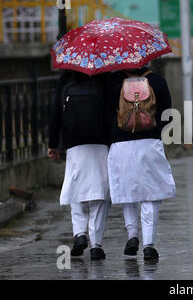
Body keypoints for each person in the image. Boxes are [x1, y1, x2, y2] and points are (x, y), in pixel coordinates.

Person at [106, 66, 175, 261]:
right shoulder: (158, 81)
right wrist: (155, 132)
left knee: (128, 192)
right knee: (150, 194)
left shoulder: (113, 81)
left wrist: (114, 134)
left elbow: (105, 113)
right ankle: (149, 245)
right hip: (150, 143)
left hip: (120, 144)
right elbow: (168, 114)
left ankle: (132, 235)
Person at [48, 70, 111, 260]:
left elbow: (56, 112)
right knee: (100, 194)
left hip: (74, 142)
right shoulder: (104, 77)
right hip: (100, 141)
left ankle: (80, 234)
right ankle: (96, 245)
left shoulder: (66, 79)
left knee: (75, 189)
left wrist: (53, 143)